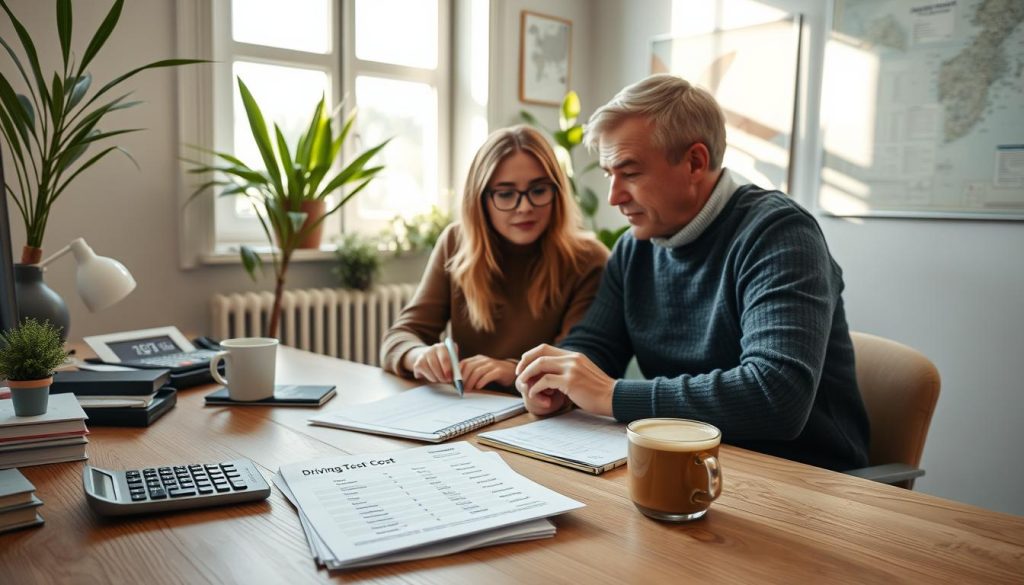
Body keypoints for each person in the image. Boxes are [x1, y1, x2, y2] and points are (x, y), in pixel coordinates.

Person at [515, 74, 870, 471]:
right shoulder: (636, 247)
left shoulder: (779, 235)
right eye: (608, 174)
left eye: (630, 173)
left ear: (695, 163)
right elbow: (597, 345)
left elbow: (776, 396)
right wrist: (558, 380)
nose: (614, 197)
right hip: (689, 462)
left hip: (803, 479)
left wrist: (612, 395)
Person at [381, 125, 609, 393]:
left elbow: (577, 361)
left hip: (546, 417)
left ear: (557, 192)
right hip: (468, 408)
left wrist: (512, 371)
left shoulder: (588, 259)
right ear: (480, 199)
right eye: (505, 193)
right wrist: (418, 355)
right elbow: (399, 337)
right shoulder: (456, 243)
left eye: (538, 190)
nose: (524, 207)